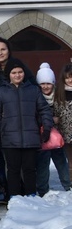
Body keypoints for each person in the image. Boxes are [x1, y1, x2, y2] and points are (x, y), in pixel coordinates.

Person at [0, 58, 53, 200]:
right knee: (13, 170)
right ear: (8, 74)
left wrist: (47, 128)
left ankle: (31, 196)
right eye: (14, 72)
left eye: (20, 72)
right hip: (9, 139)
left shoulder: (33, 90)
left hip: (31, 137)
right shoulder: (1, 92)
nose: (17, 75)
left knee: (30, 169)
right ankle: (15, 198)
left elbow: (44, 110)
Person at [36, 63, 71, 195]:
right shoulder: (36, 96)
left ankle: (68, 185)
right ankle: (43, 189)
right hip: (43, 136)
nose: (45, 86)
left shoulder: (59, 95)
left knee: (61, 162)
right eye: (42, 83)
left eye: (48, 83)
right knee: (43, 164)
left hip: (58, 136)